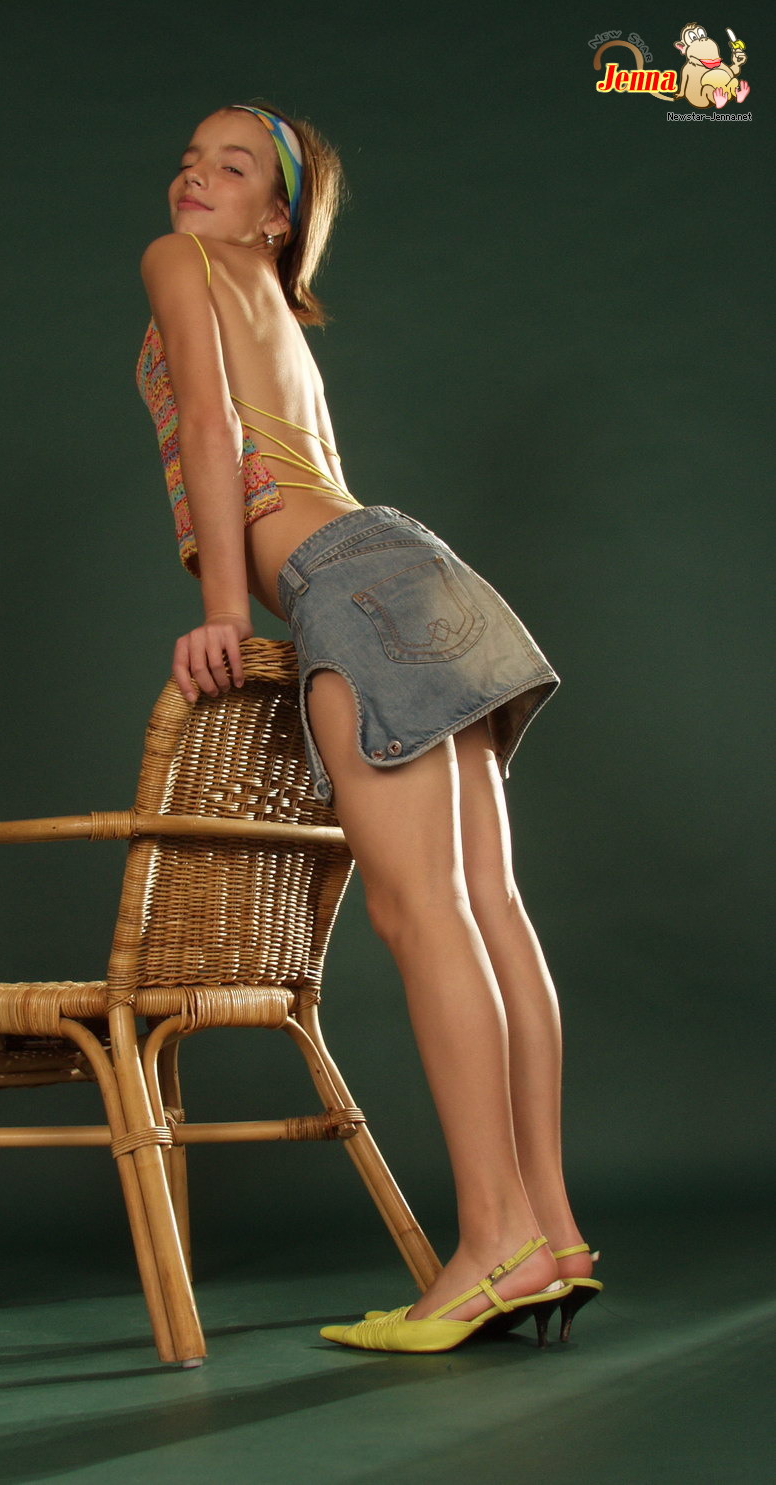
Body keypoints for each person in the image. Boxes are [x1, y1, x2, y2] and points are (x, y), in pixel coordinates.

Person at [136, 103, 601, 1353]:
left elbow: (216, 433)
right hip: (419, 567)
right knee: (489, 906)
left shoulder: (180, 263)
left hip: (349, 586)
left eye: (232, 167)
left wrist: (221, 613)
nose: (194, 180)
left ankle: (492, 1245)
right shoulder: (276, 314)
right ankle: (552, 1237)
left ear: (276, 217)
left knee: (423, 912)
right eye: (187, 162)